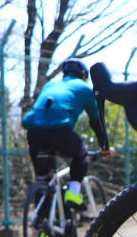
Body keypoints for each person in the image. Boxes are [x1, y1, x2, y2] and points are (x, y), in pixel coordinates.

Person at [21, 57, 112, 216]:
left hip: (33, 133)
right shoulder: (85, 88)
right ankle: (73, 192)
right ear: (84, 75)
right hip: (60, 131)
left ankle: (42, 228)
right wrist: (104, 147)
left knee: (44, 178)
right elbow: (96, 122)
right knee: (81, 153)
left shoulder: (50, 84)